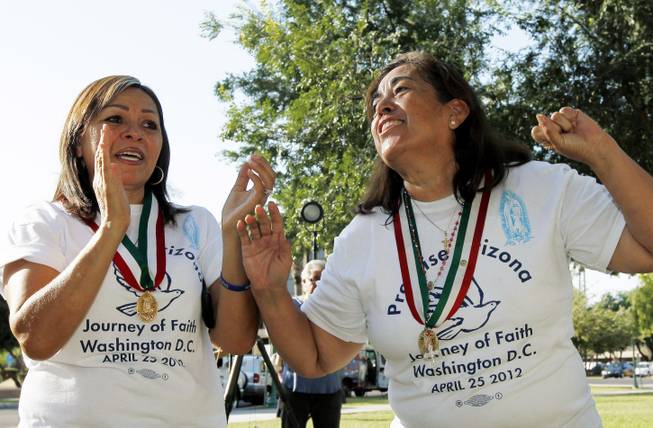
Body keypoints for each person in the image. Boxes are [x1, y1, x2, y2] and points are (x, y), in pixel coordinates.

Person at [236, 51, 653, 427]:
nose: (382, 105)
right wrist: (270, 289)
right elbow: (315, 357)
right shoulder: (362, 237)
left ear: (455, 112)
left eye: (401, 89)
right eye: (376, 103)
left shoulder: (542, 188)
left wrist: (602, 152)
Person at [0, 75, 275, 427]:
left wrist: (231, 238)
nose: (135, 132)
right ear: (77, 143)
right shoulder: (43, 222)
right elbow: (35, 339)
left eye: (149, 124)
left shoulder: (197, 225)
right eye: (115, 119)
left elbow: (236, 340)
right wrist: (112, 229)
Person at [274, 260, 343, 428]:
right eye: (315, 279)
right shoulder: (292, 307)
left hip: (329, 390)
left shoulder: (339, 309)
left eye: (324, 279)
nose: (319, 284)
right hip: (296, 389)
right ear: (303, 282)